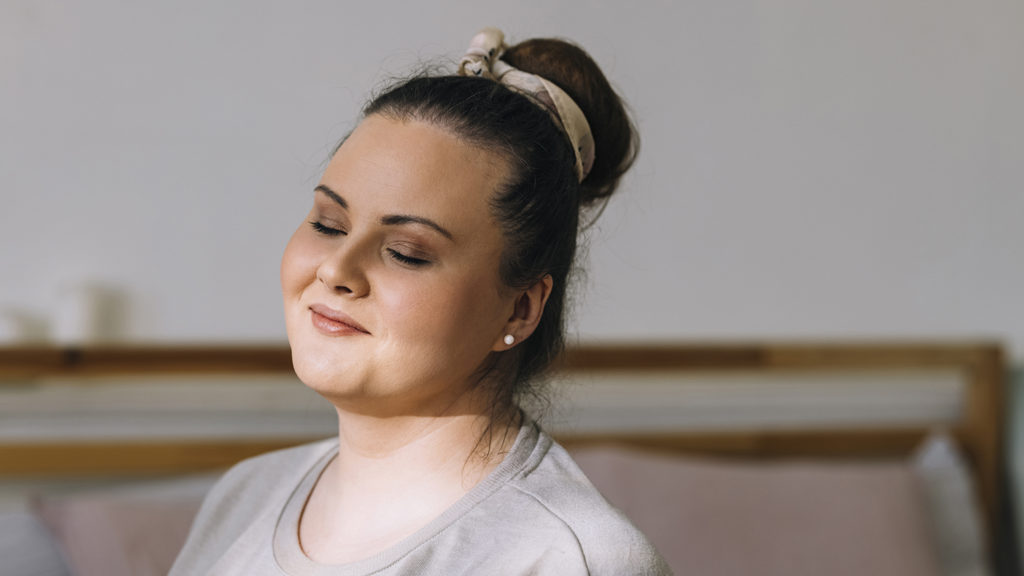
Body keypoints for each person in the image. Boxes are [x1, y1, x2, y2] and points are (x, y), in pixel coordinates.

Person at [170, 28, 671, 575]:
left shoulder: (570, 558)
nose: (336, 269)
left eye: (406, 253)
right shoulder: (247, 495)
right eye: (328, 223)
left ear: (520, 309)